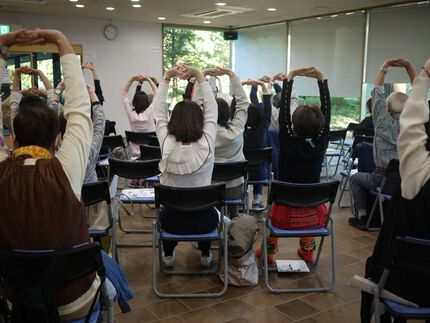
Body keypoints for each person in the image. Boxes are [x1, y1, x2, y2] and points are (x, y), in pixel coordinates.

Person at [0, 29, 101, 320]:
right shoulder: (66, 169)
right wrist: (61, 41)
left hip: (15, 299)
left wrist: (2, 52)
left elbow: (79, 110)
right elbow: (81, 109)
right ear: (59, 138)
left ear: (15, 140)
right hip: (72, 300)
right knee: (107, 266)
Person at [360, 58, 430, 323]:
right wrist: (417, 73)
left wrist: (389, 68)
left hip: (384, 184)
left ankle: (364, 213)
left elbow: (379, 97)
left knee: (356, 180)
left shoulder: (384, 122)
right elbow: (417, 110)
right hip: (394, 188)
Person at [257, 67, 331, 264]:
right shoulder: (321, 143)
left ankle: (269, 253)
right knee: (306, 216)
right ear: (322, 126)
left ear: (292, 124)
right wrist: (321, 80)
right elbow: (327, 111)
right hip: (313, 214)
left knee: (271, 220)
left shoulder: (287, 140)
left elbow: (284, 118)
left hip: (283, 213)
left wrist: (290, 79)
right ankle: (307, 251)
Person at [153, 64, 218, 268]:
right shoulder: (207, 141)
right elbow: (212, 110)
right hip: (205, 222)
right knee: (205, 209)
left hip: (171, 222)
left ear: (173, 120)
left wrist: (166, 78)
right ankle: (206, 253)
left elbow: (158, 111)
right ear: (200, 120)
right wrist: (200, 77)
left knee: (172, 209)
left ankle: (169, 254)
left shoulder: (166, 143)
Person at [349, 58, 415, 229]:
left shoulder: (382, 123)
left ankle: (363, 217)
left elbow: (377, 92)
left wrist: (384, 67)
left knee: (355, 178)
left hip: (382, 180)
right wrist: (409, 68)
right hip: (409, 181)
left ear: (388, 109)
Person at [211, 66, 249, 218]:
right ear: (228, 113)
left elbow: (196, 106)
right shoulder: (237, 129)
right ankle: (233, 219)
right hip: (235, 190)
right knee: (234, 192)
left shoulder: (204, 134)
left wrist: (204, 76)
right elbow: (243, 103)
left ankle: (217, 221)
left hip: (211, 190)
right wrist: (232, 75)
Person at [243, 79, 272, 210]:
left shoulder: (238, 130)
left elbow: (234, 108)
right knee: (260, 166)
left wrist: (240, 86)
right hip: (260, 174)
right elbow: (267, 112)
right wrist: (263, 87)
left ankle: (241, 199)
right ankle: (257, 200)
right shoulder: (262, 129)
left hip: (241, 174)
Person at [122, 74, 157, 155]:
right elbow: (156, 92)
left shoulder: (131, 114)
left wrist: (132, 79)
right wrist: (148, 79)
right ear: (147, 102)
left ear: (134, 102)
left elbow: (124, 93)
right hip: (151, 152)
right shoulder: (150, 112)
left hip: (134, 153)